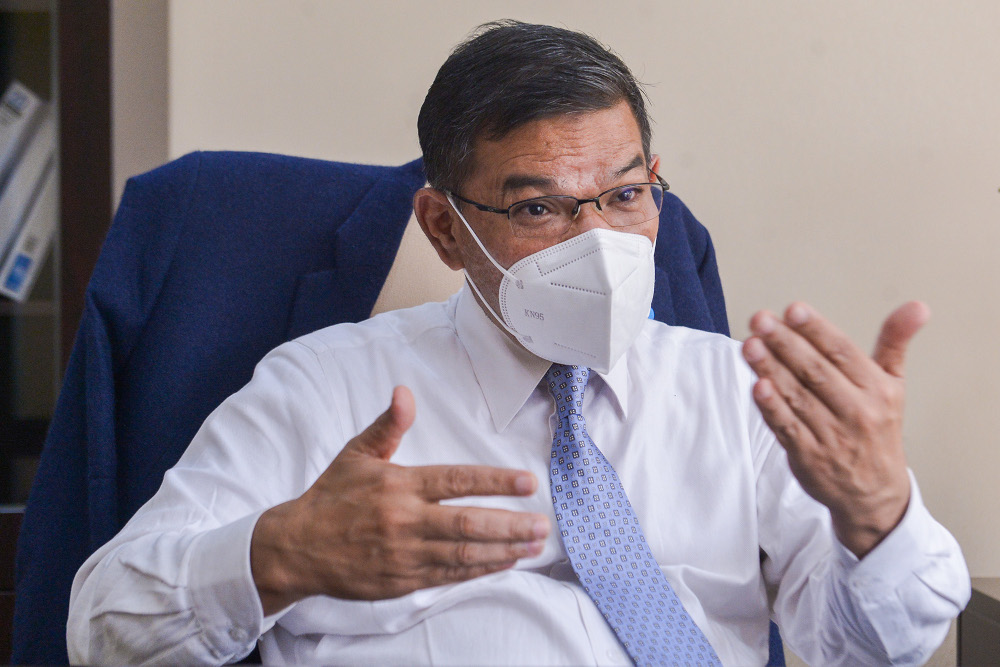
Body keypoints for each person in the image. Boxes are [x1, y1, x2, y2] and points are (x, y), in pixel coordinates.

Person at [66, 20, 969, 666]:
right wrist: (281, 553)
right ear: (444, 228)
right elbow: (100, 626)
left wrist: (878, 513)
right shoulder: (326, 389)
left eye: (624, 196)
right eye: (540, 208)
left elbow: (872, 647)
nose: (599, 244)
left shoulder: (736, 391)